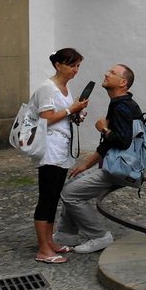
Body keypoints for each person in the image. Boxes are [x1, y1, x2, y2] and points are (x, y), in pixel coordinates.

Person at [55, 63, 143, 254]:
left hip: (121, 170)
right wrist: (85, 165)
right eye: (108, 70)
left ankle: (99, 236)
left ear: (123, 82)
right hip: (118, 165)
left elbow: (122, 141)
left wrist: (103, 128)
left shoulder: (123, 107)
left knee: (70, 193)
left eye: (112, 73)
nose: (106, 73)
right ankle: (66, 235)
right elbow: (107, 145)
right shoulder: (120, 103)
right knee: (74, 182)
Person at [31, 48, 90, 264]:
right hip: (50, 148)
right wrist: (70, 110)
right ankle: (43, 249)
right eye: (72, 65)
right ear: (59, 65)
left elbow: (63, 115)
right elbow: (45, 118)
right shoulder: (48, 88)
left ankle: (49, 242)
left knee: (54, 196)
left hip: (62, 147)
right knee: (46, 197)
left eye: (77, 66)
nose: (75, 70)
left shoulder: (65, 88)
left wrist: (76, 114)